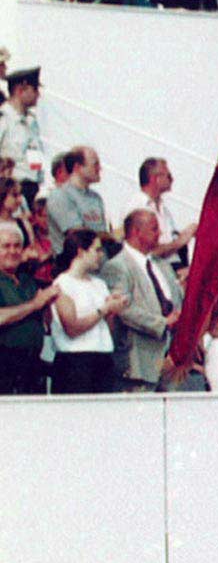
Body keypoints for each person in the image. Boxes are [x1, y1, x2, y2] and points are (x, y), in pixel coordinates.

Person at [101, 210, 180, 391]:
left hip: (170, 360)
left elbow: (177, 299)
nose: (159, 233)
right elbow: (124, 309)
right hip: (139, 361)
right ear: (136, 232)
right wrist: (163, 323)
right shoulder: (117, 266)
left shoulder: (163, 266)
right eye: (154, 229)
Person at [49, 229, 125, 394]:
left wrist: (113, 308)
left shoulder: (100, 284)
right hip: (75, 361)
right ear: (81, 252)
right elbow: (72, 329)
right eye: (96, 250)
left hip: (102, 356)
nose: (101, 255)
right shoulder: (62, 284)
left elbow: (107, 328)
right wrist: (104, 309)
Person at [0, 220, 55, 394]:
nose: (12, 251)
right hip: (5, 366)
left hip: (32, 365)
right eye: (5, 246)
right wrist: (34, 304)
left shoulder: (27, 281)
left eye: (17, 246)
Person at [123, 156, 196, 266]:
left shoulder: (163, 209)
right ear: (154, 179)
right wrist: (181, 240)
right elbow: (146, 252)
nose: (172, 180)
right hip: (156, 266)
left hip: (173, 264)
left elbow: (170, 240)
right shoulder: (137, 208)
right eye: (168, 176)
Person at [0, 64, 49, 202]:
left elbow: (35, 156)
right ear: (20, 90)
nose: (38, 94)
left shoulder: (31, 122)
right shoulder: (3, 119)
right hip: (9, 190)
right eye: (35, 89)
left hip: (31, 187)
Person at [45, 147, 108, 237]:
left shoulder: (96, 198)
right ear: (77, 167)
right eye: (95, 164)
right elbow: (77, 236)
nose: (100, 168)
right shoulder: (60, 196)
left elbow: (103, 233)